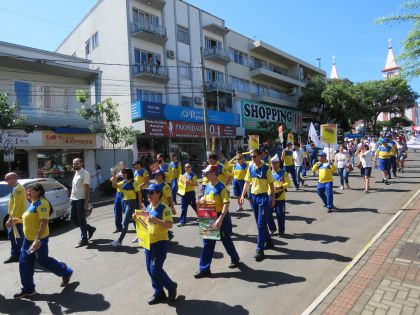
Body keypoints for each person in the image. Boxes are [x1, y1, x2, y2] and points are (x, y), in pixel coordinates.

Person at [9, 183, 73, 299]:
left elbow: (43, 222)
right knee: (24, 263)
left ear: (38, 192)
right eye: (27, 191)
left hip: (39, 240)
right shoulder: (33, 203)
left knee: (43, 260)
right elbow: (29, 221)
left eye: (30, 191)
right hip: (28, 240)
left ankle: (66, 272)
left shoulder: (42, 203)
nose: (27, 193)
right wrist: (16, 220)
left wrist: (37, 240)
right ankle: (28, 290)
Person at [194, 165, 240, 279]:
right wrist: (201, 200)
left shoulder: (221, 187)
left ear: (214, 173)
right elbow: (204, 198)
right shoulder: (206, 186)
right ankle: (204, 269)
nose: (205, 175)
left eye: (207, 173)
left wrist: (221, 218)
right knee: (207, 244)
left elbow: (226, 203)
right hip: (209, 215)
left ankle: (235, 258)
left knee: (226, 239)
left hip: (220, 216)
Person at [140, 183, 177, 305]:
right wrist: (138, 217)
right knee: (150, 270)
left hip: (160, 243)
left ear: (159, 194)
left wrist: (157, 221)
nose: (148, 195)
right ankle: (159, 292)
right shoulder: (149, 206)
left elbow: (169, 225)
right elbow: (146, 220)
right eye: (147, 192)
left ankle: (171, 287)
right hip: (148, 242)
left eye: (151, 192)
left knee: (156, 269)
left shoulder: (164, 208)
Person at [240, 149, 275, 262]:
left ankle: (260, 249)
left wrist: (273, 198)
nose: (252, 159)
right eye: (251, 157)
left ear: (260, 156)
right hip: (253, 198)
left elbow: (271, 184)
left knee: (260, 224)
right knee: (259, 223)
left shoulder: (266, 168)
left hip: (263, 198)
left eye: (254, 156)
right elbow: (246, 182)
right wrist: (242, 195)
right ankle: (269, 242)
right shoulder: (250, 167)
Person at [110, 169, 141, 247]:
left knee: (125, 223)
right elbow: (114, 185)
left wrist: (140, 203)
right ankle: (140, 236)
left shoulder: (133, 182)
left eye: (124, 173)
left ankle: (119, 241)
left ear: (128, 174)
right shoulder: (123, 182)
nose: (122, 174)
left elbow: (139, 193)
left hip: (131, 204)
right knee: (133, 220)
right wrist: (114, 175)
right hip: (126, 203)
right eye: (122, 173)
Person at [70, 158, 96, 248]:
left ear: (81, 163)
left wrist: (86, 201)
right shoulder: (76, 173)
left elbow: (87, 188)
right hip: (73, 199)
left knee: (81, 221)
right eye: (74, 163)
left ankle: (84, 239)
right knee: (72, 219)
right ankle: (90, 228)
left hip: (81, 200)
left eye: (77, 163)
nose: (75, 165)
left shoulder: (85, 173)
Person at [4, 172, 26, 264]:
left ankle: (23, 255)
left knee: (19, 238)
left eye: (7, 179)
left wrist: (11, 219)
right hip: (15, 218)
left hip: (17, 218)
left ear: (13, 178)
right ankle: (15, 255)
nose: (5, 181)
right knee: (13, 237)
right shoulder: (16, 188)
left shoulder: (18, 189)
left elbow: (17, 205)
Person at [267, 155, 290, 237]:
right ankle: (272, 229)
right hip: (270, 196)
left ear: (278, 163)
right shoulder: (269, 172)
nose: (273, 165)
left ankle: (281, 231)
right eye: (272, 163)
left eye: (275, 163)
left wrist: (281, 187)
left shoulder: (283, 172)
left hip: (280, 197)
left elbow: (288, 183)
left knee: (280, 215)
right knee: (268, 214)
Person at [154, 170, 176, 240]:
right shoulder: (155, 184)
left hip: (163, 207)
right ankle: (168, 234)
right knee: (159, 223)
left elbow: (169, 197)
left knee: (161, 222)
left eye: (158, 175)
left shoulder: (165, 186)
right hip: (156, 206)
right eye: (155, 175)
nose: (156, 176)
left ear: (162, 176)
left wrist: (172, 207)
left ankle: (167, 235)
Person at [110, 161, 126, 233]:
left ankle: (137, 225)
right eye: (119, 165)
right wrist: (113, 174)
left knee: (127, 210)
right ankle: (118, 227)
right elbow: (112, 181)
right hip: (118, 193)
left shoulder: (128, 171)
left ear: (125, 165)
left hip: (126, 193)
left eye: (121, 164)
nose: (119, 166)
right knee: (117, 210)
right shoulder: (118, 173)